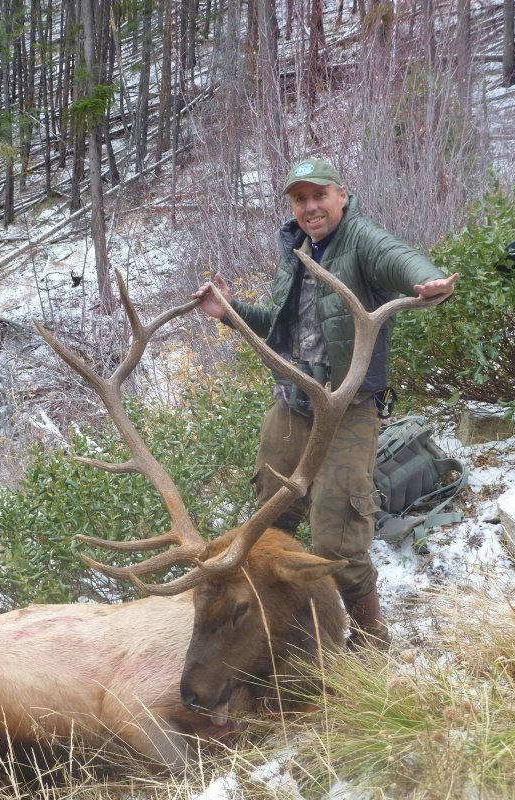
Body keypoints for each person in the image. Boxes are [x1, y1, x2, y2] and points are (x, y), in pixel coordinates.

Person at [192, 158, 458, 647]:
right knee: (270, 525)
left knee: (338, 540)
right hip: (290, 405)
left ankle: (370, 641)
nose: (310, 207)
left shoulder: (361, 239)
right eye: (300, 199)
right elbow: (281, 325)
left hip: (346, 411)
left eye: (319, 196)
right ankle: (285, 632)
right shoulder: (294, 247)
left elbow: (401, 258)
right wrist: (227, 312)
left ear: (342, 195)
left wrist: (427, 280)